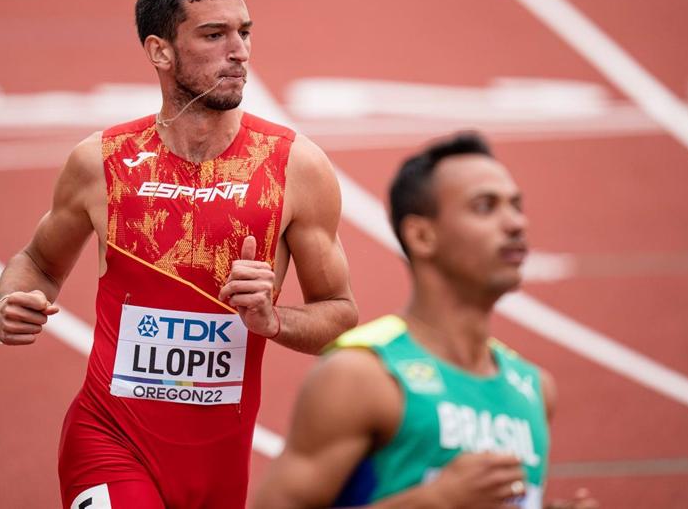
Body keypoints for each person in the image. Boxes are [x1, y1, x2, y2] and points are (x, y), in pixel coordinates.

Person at [0, 0, 358, 509]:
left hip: (218, 466)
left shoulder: (295, 168)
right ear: (161, 51)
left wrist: (273, 320)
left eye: (245, 32)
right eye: (214, 35)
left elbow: (340, 316)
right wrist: (9, 304)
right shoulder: (102, 162)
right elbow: (39, 262)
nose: (239, 51)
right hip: (108, 440)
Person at [251, 133, 597, 509]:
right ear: (421, 235)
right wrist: (437, 501)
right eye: (485, 207)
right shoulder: (362, 376)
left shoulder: (533, 389)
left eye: (516, 205)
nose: (515, 223)